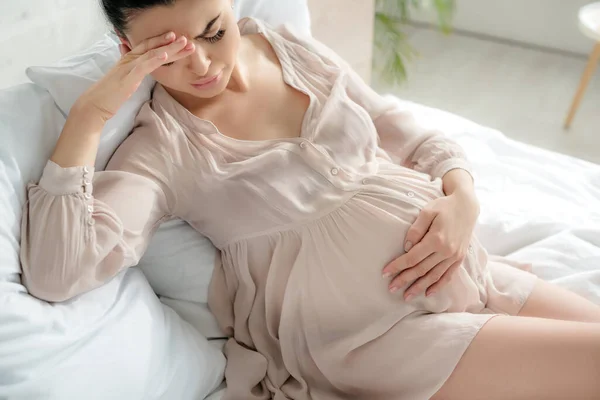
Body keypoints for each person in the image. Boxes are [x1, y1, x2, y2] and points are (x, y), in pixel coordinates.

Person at [20, 0, 600, 399]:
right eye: (166, 51)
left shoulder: (286, 48)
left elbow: (402, 128)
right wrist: (90, 115)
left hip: (463, 268)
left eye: (213, 32)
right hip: (375, 339)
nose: (200, 63)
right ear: (127, 49)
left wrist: (462, 197)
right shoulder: (162, 148)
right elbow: (56, 271)